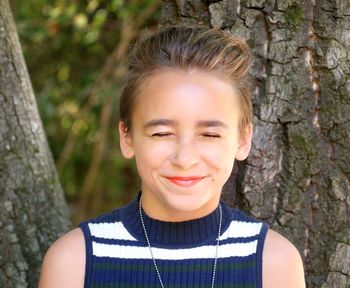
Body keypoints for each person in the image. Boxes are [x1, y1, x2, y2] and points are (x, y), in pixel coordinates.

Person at [39, 25, 305, 288]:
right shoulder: (75, 263)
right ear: (127, 137)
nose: (185, 158)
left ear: (243, 140)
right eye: (162, 133)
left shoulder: (274, 264)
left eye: (210, 135)